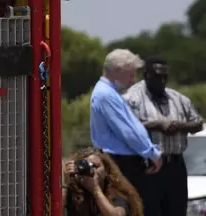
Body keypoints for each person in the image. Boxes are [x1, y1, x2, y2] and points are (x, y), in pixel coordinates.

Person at [124, 57, 202, 216]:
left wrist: (180, 126)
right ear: (146, 76)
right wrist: (157, 125)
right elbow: (125, 127)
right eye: (157, 76)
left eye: (165, 77)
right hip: (147, 166)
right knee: (148, 211)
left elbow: (198, 124)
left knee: (177, 211)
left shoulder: (178, 99)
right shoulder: (132, 98)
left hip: (175, 165)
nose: (162, 81)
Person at [89, 49, 162, 200]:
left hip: (119, 161)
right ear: (117, 70)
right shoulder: (106, 95)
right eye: (130, 74)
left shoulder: (108, 92)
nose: (133, 80)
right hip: (120, 163)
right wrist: (151, 153)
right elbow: (129, 132)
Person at [63, 148, 143, 216]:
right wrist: (67, 181)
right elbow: (56, 208)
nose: (92, 171)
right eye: (87, 167)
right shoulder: (75, 193)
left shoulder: (117, 194)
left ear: (106, 170)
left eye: (96, 166)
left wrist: (95, 190)